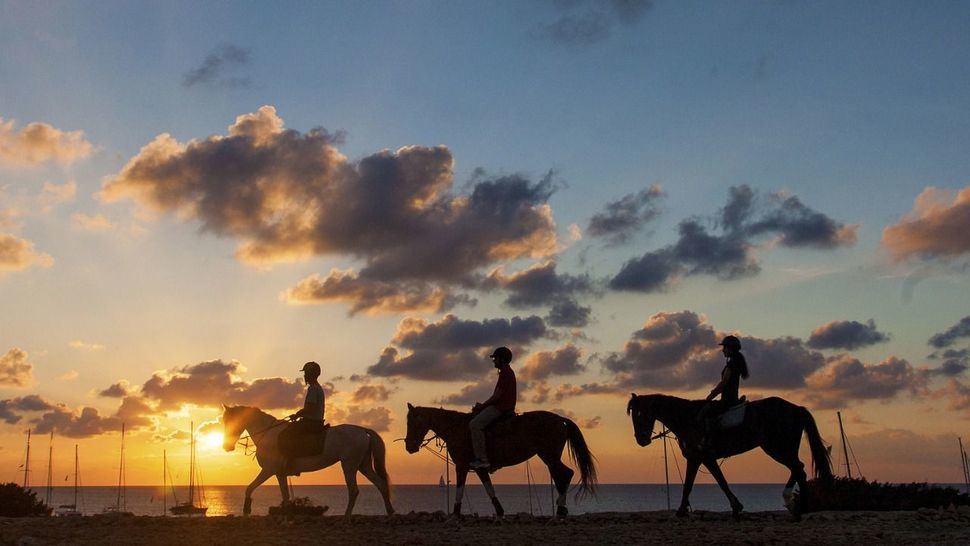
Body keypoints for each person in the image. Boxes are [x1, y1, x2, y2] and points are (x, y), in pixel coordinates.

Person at [698, 336, 749, 452]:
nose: (723, 350)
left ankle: (708, 441)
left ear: (730, 348)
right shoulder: (736, 362)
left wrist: (710, 396)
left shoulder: (732, 364)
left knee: (706, 412)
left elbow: (724, 383)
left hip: (728, 400)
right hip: (731, 398)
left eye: (724, 347)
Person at [469, 347, 516, 470]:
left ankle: (482, 459)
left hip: (501, 408)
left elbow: (497, 396)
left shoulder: (505, 372)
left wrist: (482, 406)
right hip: (502, 406)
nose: (494, 361)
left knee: (475, 424)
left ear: (501, 359)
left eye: (495, 358)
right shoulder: (506, 372)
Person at [278, 361, 327, 475]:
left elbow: (309, 408)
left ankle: (291, 463)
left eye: (306, 373)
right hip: (316, 421)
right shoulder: (318, 388)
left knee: (286, 434)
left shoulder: (313, 389)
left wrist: (297, 415)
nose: (304, 375)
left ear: (311, 374)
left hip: (311, 422)